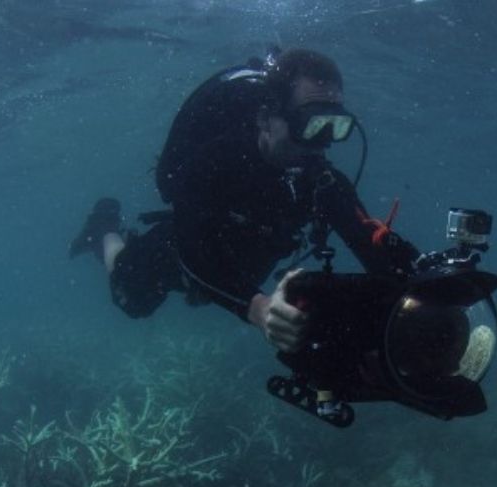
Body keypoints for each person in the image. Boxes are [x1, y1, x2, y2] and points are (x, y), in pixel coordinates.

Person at [70, 48, 419, 353]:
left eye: (335, 126)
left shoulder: (316, 175)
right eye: (310, 124)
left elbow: (365, 237)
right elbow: (194, 246)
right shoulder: (213, 161)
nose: (320, 143)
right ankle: (103, 229)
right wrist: (256, 307)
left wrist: (423, 279)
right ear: (266, 119)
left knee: (223, 283)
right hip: (195, 238)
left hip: (248, 251)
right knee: (133, 298)